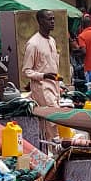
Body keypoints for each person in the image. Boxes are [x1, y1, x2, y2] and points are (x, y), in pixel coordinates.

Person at [23, 10, 60, 138]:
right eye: (49, 19)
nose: (52, 22)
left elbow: (52, 66)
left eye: (53, 19)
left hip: (54, 86)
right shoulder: (33, 44)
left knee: (52, 120)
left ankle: (50, 149)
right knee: (52, 119)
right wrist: (43, 76)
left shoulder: (52, 41)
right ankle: (54, 150)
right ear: (40, 21)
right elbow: (26, 71)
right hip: (42, 88)